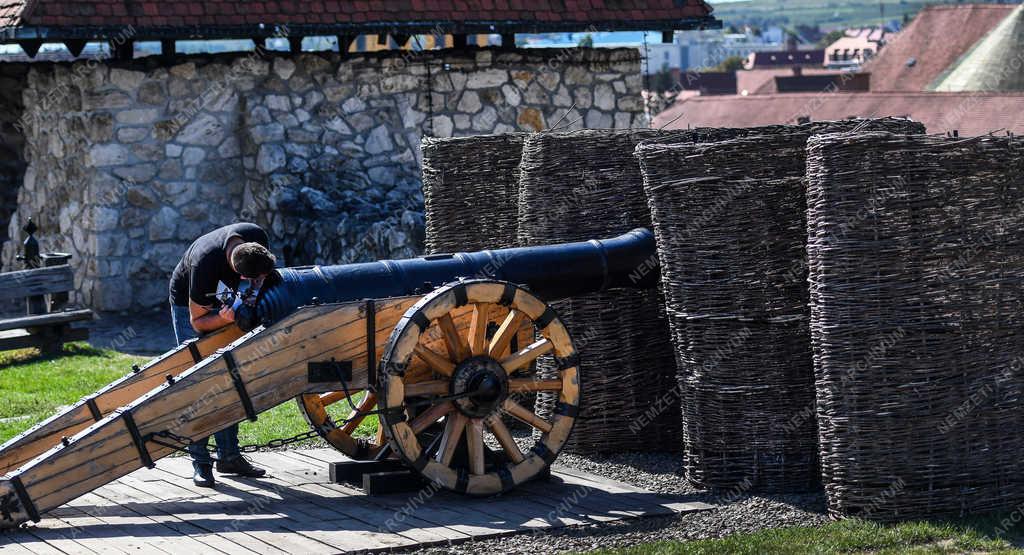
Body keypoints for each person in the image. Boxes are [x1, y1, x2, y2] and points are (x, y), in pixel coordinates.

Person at [169, 222, 274, 487]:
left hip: (226, 300)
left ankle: (229, 456)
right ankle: (201, 463)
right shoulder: (204, 264)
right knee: (201, 383)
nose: (257, 284)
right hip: (192, 306)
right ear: (236, 272)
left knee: (231, 376)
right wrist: (224, 320)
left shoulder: (256, 237)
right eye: (254, 281)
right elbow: (199, 321)